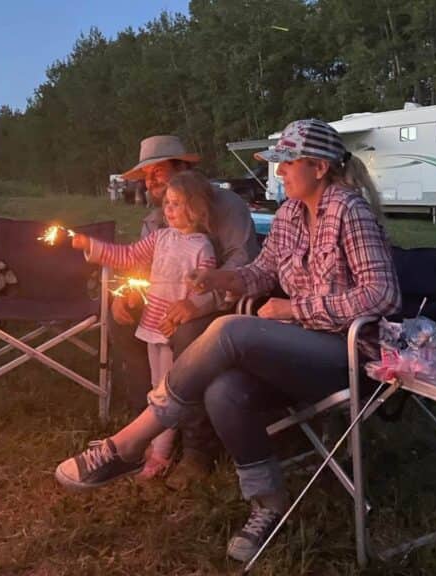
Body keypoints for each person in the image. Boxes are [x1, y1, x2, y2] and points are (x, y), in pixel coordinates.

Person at [55, 119, 402, 561]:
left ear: (318, 166)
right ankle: (269, 503)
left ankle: (129, 442)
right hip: (296, 346)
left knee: (229, 330)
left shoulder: (348, 210)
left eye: (287, 162)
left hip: (348, 354)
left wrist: (295, 309)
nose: (279, 172)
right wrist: (218, 277)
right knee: (223, 391)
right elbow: (262, 273)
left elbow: (382, 293)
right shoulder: (291, 214)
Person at [110, 135, 260, 486]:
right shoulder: (156, 218)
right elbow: (144, 264)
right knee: (120, 322)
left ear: (183, 168)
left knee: (189, 334)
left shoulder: (226, 206)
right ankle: (147, 425)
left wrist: (199, 303)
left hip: (222, 303)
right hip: (165, 299)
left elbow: (246, 263)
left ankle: (198, 448)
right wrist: (128, 290)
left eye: (158, 172)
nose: (151, 182)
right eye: (146, 176)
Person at [71, 171, 217, 479]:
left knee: (167, 390)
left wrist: (190, 306)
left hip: (172, 327)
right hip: (152, 323)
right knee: (157, 386)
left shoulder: (202, 247)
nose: (168, 209)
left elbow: (206, 289)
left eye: (177, 203)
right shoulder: (160, 237)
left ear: (196, 208)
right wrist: (91, 246)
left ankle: (161, 453)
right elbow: (127, 255)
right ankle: (153, 441)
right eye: (167, 203)